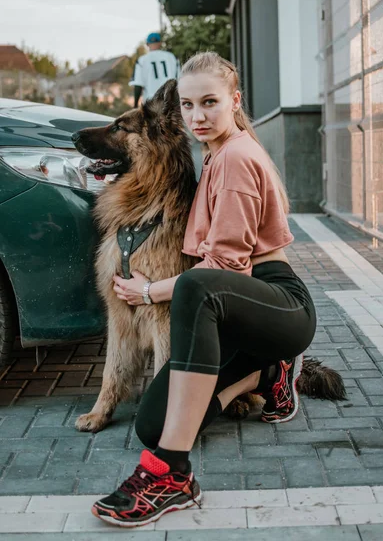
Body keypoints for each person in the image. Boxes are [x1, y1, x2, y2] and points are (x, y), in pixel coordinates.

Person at [92, 52, 316, 528]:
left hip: (278, 302)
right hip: (243, 311)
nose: (198, 116)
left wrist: (149, 290)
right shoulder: (216, 151)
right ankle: (266, 374)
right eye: (189, 105)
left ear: (235, 101)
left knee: (194, 287)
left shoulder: (234, 159)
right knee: (153, 423)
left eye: (210, 102)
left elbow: (226, 269)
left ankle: (171, 476)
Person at [129, 32, 179, 107]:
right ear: (160, 43)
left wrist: (135, 105)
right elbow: (180, 80)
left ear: (147, 44)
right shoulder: (171, 57)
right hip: (170, 101)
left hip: (151, 103)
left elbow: (138, 85)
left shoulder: (142, 60)